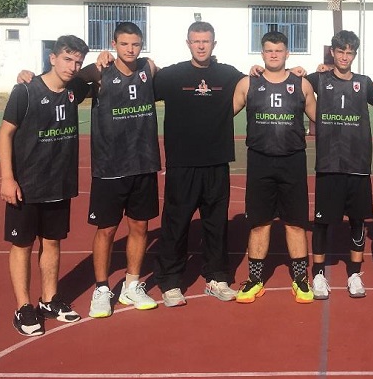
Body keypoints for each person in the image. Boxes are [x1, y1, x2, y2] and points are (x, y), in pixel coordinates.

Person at [0, 35, 91, 336]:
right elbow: (5, 134)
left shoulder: (75, 88)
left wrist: (101, 61)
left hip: (59, 183)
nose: (73, 67)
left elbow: (94, 73)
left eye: (78, 62)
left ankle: (49, 300)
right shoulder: (25, 90)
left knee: (52, 242)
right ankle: (23, 307)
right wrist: (7, 178)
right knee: (23, 245)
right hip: (26, 185)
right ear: (52, 58)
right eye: (67, 59)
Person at [152, 21, 242, 306]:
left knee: (216, 225)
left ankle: (217, 278)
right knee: (176, 224)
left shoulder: (228, 74)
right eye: (196, 41)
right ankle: (170, 282)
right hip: (182, 163)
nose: (201, 46)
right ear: (188, 43)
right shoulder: (172, 75)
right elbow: (137, 80)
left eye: (206, 41)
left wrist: (299, 72)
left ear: (214, 44)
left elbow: (257, 83)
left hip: (216, 162)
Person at [232, 31, 317, 304]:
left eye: (278, 50)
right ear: (262, 53)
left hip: (293, 161)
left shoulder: (301, 84)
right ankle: (255, 279)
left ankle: (301, 279)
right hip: (260, 161)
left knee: (295, 223)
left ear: (287, 53)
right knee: (259, 223)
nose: (273, 55)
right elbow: (220, 114)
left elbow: (321, 117)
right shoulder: (248, 83)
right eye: (269, 50)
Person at [85, 22, 161, 317]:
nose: (130, 49)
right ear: (113, 44)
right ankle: (102, 288)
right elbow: (66, 78)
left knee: (140, 227)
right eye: (124, 44)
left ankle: (131, 284)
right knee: (106, 230)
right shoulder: (99, 72)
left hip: (143, 163)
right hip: (109, 167)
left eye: (136, 44)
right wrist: (27, 76)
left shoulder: (148, 69)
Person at [306, 30, 373, 300]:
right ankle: (318, 274)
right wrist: (296, 70)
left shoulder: (364, 83)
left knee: (357, 221)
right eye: (340, 51)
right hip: (328, 163)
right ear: (332, 52)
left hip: (358, 164)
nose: (344, 56)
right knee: (321, 222)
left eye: (349, 52)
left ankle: (354, 274)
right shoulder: (318, 79)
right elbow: (290, 82)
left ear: (355, 54)